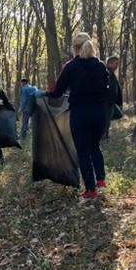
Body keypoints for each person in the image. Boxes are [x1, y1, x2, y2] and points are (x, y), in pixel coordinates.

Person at [40, 32, 109, 200]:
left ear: (75, 48)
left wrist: (45, 93)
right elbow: (106, 89)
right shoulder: (101, 66)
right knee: (95, 146)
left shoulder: (70, 67)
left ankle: (90, 190)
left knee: (83, 151)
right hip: (99, 114)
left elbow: (57, 92)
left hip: (80, 114)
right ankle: (100, 180)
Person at [104, 55, 123, 139]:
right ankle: (104, 137)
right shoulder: (105, 73)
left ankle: (105, 135)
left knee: (118, 114)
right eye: (116, 63)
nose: (117, 66)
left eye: (118, 63)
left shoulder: (112, 74)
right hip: (107, 102)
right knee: (106, 121)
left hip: (112, 103)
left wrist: (119, 101)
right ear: (110, 63)